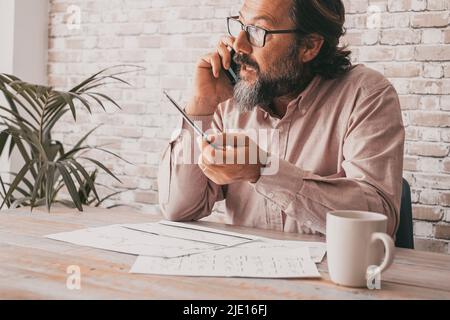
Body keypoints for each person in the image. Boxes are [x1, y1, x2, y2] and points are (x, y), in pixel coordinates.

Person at [158, 0, 405, 236]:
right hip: (245, 272)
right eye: (241, 26)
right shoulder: (229, 98)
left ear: (309, 46)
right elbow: (179, 208)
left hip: (333, 275)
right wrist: (202, 106)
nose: (239, 45)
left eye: (258, 31)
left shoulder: (366, 95)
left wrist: (263, 170)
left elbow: (379, 220)